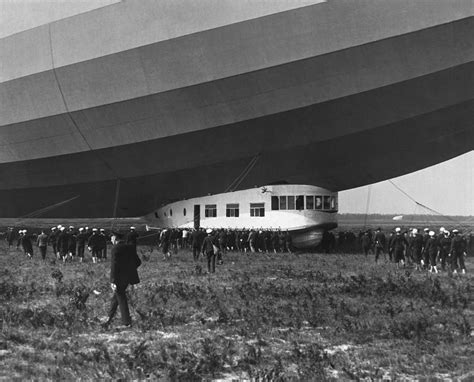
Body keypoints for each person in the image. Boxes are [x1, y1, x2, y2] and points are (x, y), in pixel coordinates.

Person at [102, 232, 141, 329]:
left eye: (111, 238)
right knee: (116, 298)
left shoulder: (115, 248)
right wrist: (129, 269)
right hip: (128, 277)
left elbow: (114, 265)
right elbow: (138, 262)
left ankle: (126, 321)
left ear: (115, 238)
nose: (111, 239)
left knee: (121, 298)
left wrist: (112, 280)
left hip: (118, 278)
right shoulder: (130, 247)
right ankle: (108, 318)